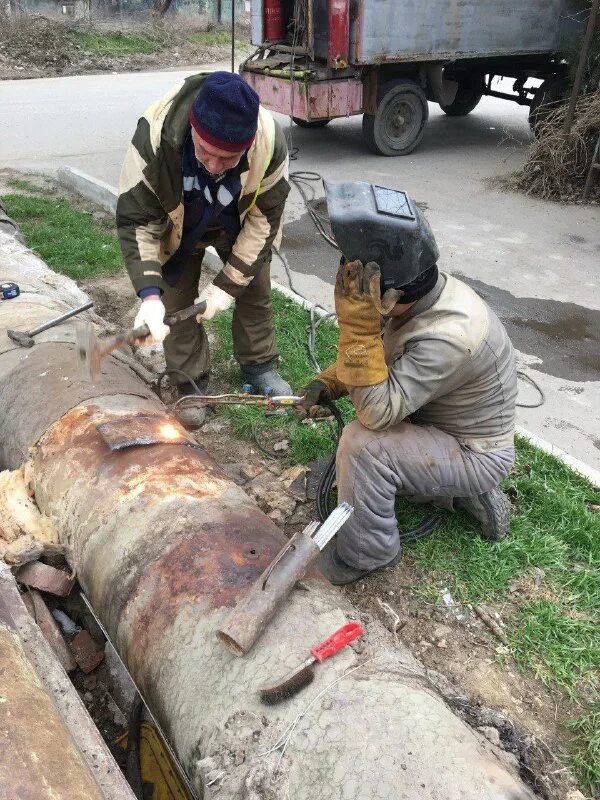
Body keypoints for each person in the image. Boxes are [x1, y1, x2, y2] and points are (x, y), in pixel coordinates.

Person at [298, 182, 517, 585]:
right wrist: (329, 383)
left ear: (390, 293)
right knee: (363, 451)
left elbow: (376, 413)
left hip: (475, 452)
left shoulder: (449, 336)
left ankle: (367, 553)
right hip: (436, 421)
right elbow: (386, 354)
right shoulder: (419, 290)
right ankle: (449, 491)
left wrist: (358, 328)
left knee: (362, 447)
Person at [116, 71, 291, 427]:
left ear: (248, 143)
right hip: (178, 217)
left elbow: (263, 222)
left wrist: (225, 288)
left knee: (254, 287)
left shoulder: (269, 143)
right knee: (175, 296)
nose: (213, 165)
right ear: (193, 128)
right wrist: (150, 297)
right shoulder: (154, 138)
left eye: (227, 159)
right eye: (206, 153)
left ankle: (259, 365)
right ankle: (189, 382)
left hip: (237, 217)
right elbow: (138, 223)